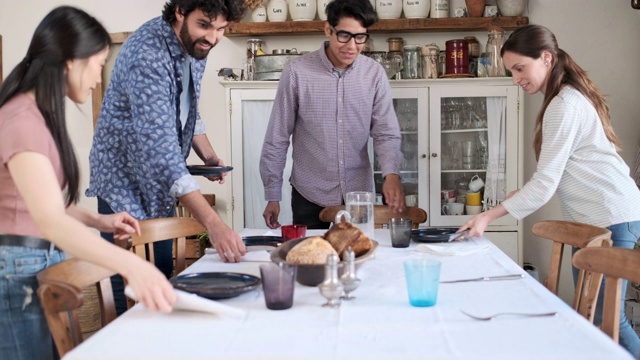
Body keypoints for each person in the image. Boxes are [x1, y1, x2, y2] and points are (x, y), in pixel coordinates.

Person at [0, 6, 177, 360]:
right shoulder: (22, 120)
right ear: (71, 62)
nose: (99, 77)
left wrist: (99, 221)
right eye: (98, 65)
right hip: (17, 268)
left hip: (37, 262)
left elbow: (41, 201)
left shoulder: (36, 115)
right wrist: (132, 266)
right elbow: (49, 220)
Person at [458, 24, 640, 358]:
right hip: (595, 219)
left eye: (519, 68)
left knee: (604, 319)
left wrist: (488, 215)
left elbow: (545, 184)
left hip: (612, 216)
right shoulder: (563, 98)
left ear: (545, 58)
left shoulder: (564, 104)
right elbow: (556, 176)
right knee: (590, 316)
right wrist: (518, 197)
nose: (515, 79)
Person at [86, 0, 247, 313]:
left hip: (156, 182)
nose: (213, 38)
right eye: (205, 25)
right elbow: (162, 155)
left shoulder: (194, 44)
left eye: (221, 29)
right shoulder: (148, 55)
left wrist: (208, 154)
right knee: (132, 283)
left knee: (159, 272)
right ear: (180, 12)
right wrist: (214, 225)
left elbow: (187, 107)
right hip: (124, 182)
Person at [259, 0, 405, 230]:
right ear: (328, 30)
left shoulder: (374, 74)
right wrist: (272, 195)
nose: (352, 46)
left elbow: (385, 132)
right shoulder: (296, 73)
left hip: (358, 196)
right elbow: (277, 137)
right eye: (344, 35)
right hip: (309, 194)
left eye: (360, 37)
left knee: (363, 259)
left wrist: (391, 174)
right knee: (312, 262)